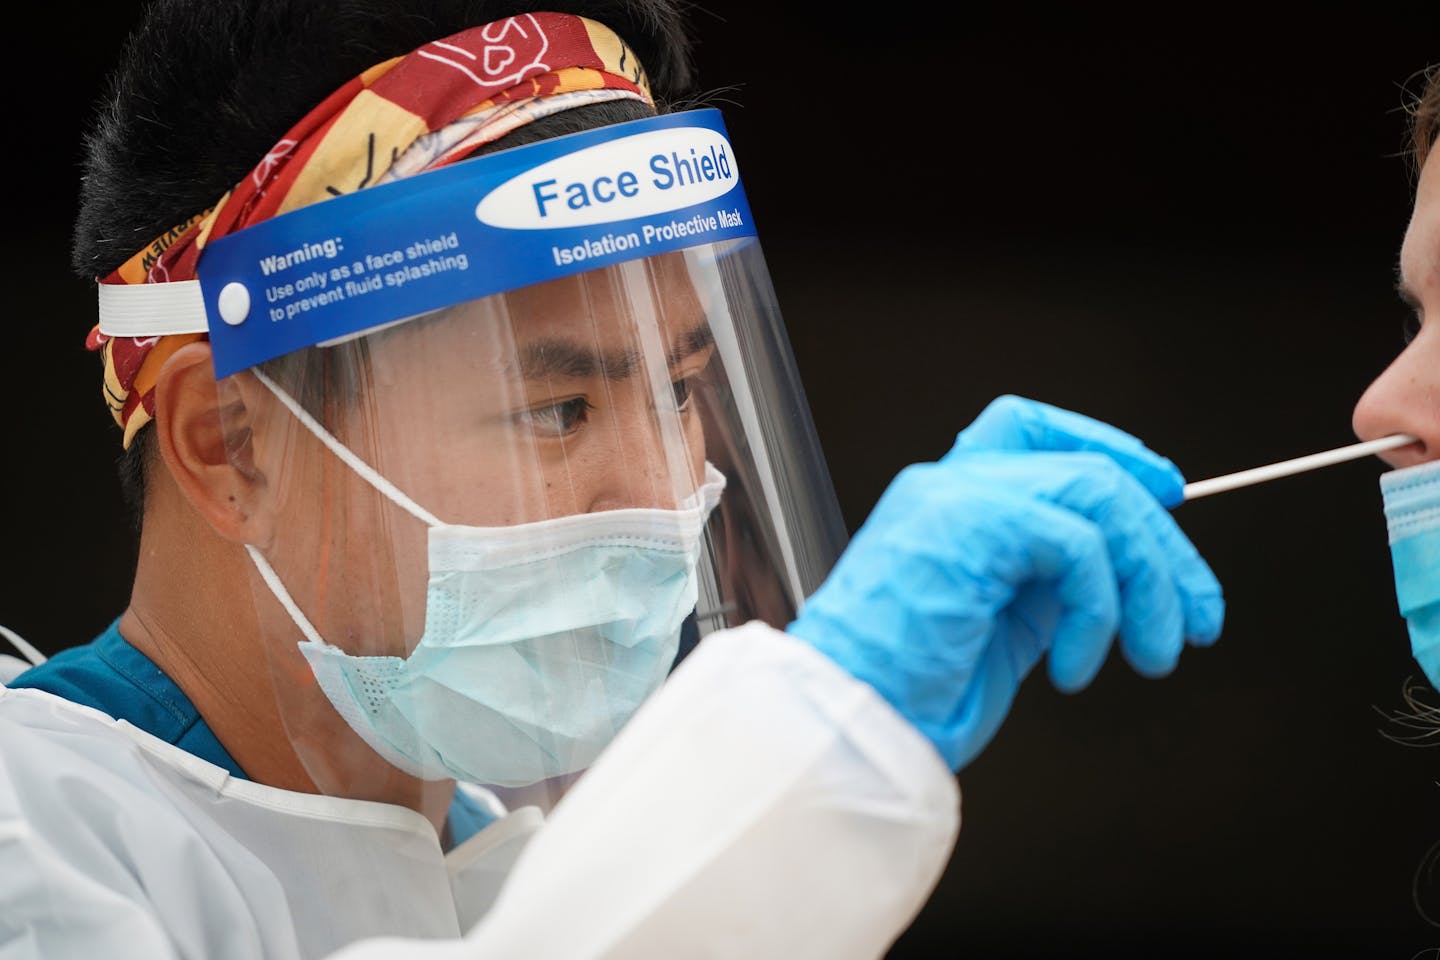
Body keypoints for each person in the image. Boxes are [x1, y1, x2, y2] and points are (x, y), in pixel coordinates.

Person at [0, 2, 1224, 957]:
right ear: (231, 443)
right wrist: (797, 746)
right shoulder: (35, 840)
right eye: (560, 406)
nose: (662, 485)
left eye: (685, 387)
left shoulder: (534, 870)